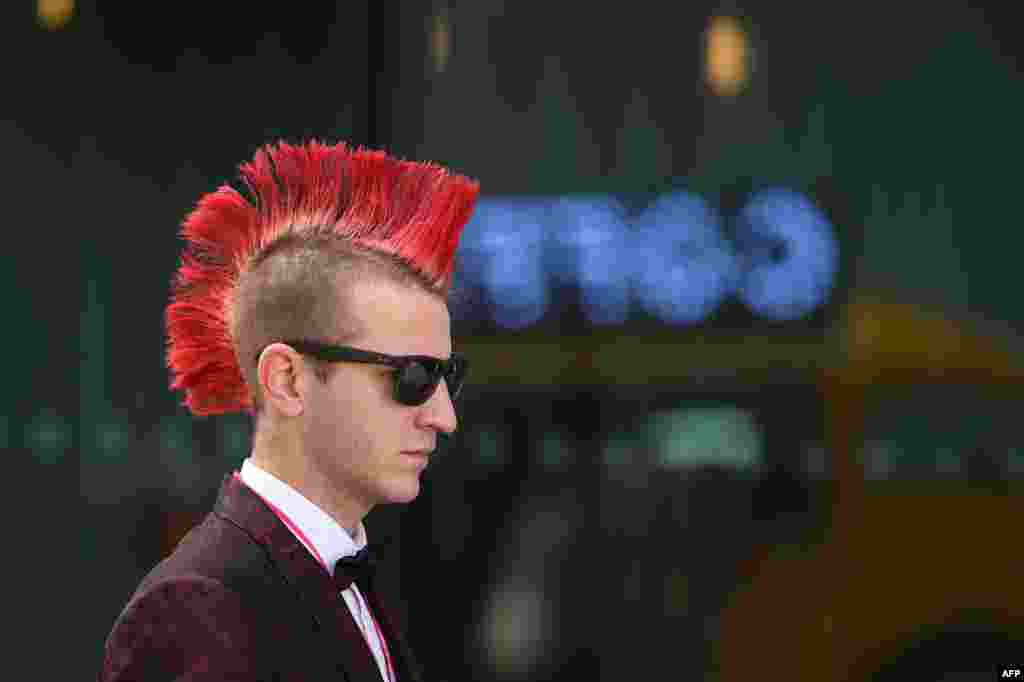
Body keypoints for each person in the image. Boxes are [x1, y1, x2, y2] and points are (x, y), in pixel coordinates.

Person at [99, 140, 480, 681]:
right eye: (412, 378)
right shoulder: (198, 608)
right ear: (288, 380)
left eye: (447, 376)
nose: (444, 416)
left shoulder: (344, 579)